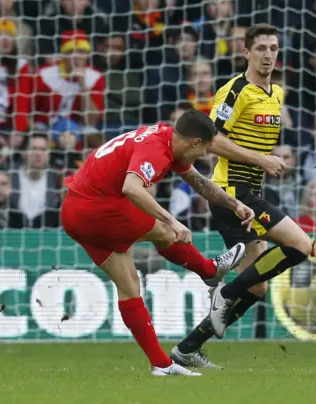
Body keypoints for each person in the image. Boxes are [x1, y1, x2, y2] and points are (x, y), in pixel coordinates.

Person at [60, 109, 254, 376]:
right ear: (195, 142)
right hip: (95, 208)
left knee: (129, 285)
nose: (204, 155)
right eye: (205, 150)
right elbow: (132, 187)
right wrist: (173, 221)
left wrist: (235, 204)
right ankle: (210, 272)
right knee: (164, 230)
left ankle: (161, 365)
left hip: (74, 212)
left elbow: (199, 183)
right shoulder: (156, 150)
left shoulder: (168, 138)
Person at [170, 24, 313, 369]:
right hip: (231, 191)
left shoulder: (276, 94)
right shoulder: (234, 91)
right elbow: (211, 140)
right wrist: (262, 159)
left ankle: (187, 349)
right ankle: (226, 293)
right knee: (301, 246)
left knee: (259, 287)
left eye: (274, 48)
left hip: (251, 190)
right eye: (261, 48)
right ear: (246, 52)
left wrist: (266, 161)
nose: (268, 55)